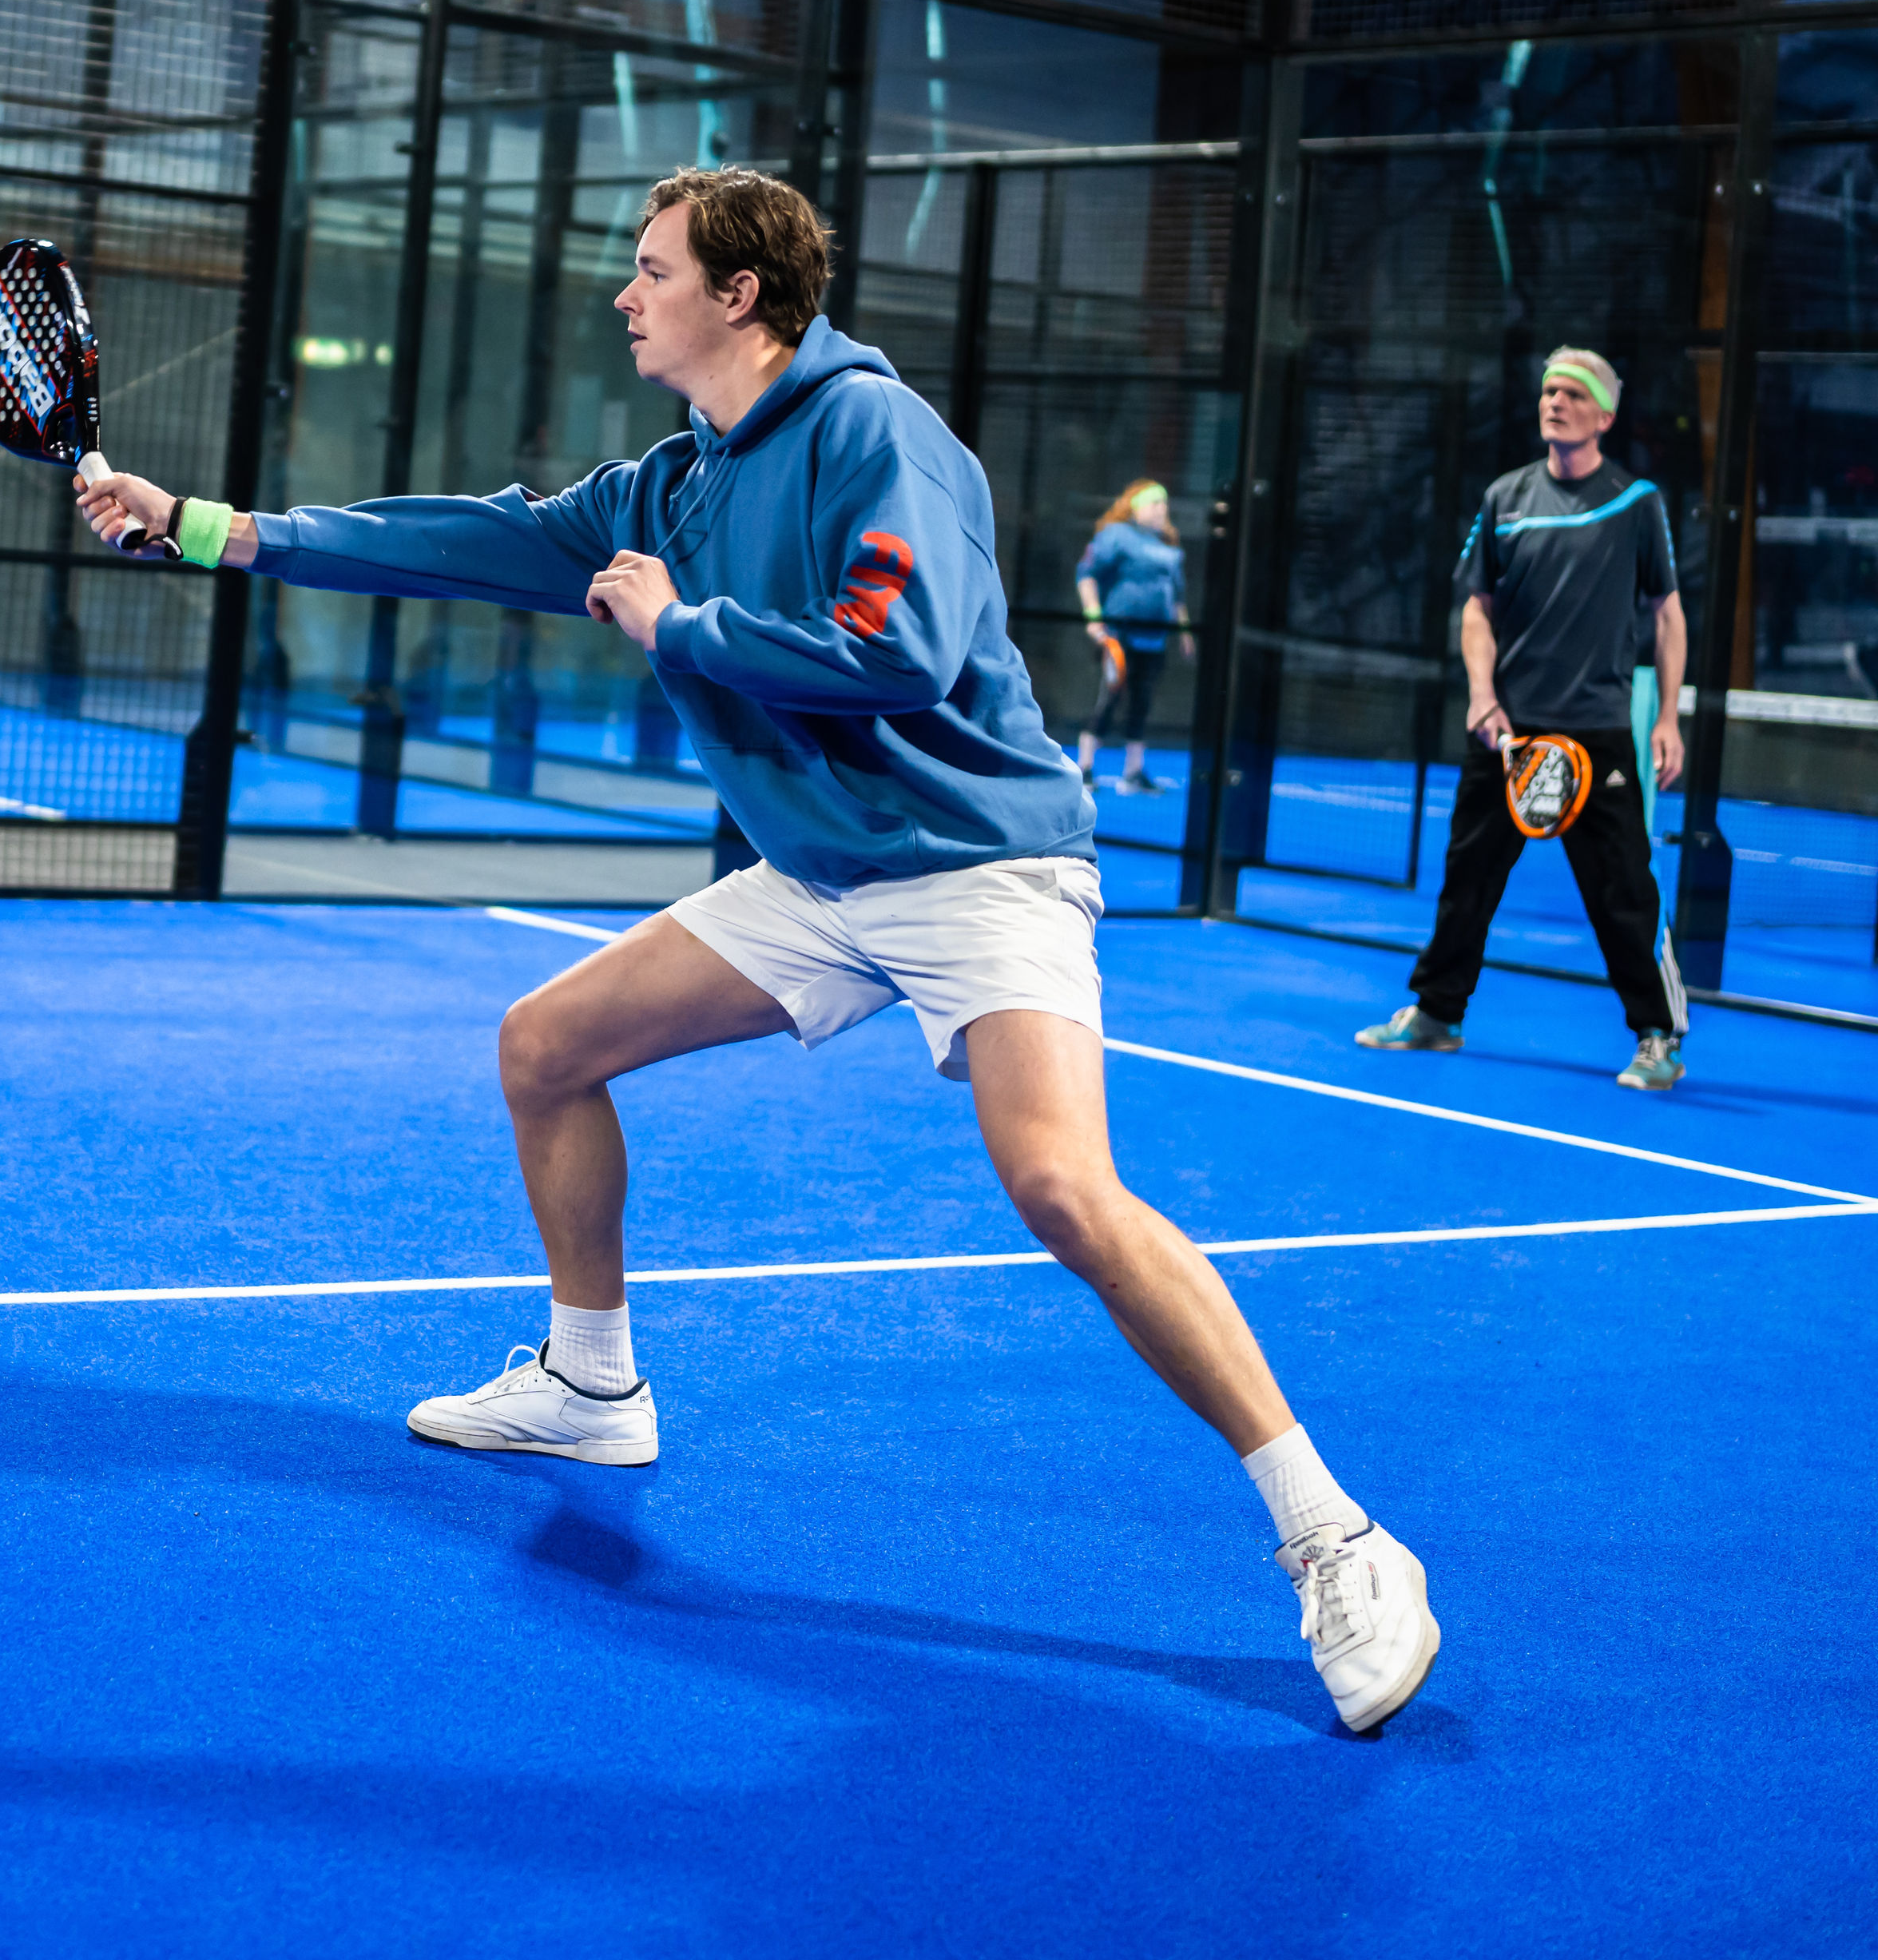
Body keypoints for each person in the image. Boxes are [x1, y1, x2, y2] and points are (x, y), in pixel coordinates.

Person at [80, 166, 1440, 1734]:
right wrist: (202, 530)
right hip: (816, 871)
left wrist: (678, 632)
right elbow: (461, 541)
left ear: (741, 295)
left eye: (651, 267)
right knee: (545, 1046)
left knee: (1062, 1184)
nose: (625, 293)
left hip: (980, 862)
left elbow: (899, 652)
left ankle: (1336, 1537)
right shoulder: (666, 484)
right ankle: (592, 1387)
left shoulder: (876, 435)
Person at [1356, 345, 1690, 1090]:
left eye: (1573, 394)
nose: (1555, 403)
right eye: (1548, 392)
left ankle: (1656, 1037)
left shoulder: (1637, 504)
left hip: (1596, 730)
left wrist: (1667, 716)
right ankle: (1438, 1015)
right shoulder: (1504, 497)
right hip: (1508, 734)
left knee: (1622, 891)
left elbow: (1668, 617)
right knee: (1467, 875)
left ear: (1603, 415)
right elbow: (1476, 607)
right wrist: (1483, 694)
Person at [1074, 482, 1192, 793]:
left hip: (1154, 639)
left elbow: (1177, 595)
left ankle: (1133, 773)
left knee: (1142, 702)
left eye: (1164, 503)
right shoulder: (1116, 536)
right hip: (1119, 636)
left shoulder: (1170, 546)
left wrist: (1184, 632)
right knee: (1110, 699)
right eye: (1154, 503)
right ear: (1135, 507)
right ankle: (1084, 769)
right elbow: (1086, 575)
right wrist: (1094, 618)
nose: (1162, 509)